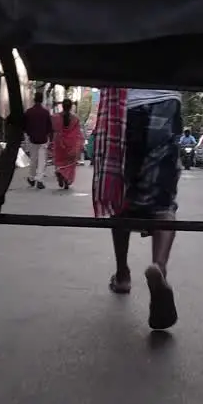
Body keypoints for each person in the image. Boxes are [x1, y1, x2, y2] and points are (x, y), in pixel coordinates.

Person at [92, 88, 184, 330]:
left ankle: (122, 275)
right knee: (164, 202)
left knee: (121, 196)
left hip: (125, 108)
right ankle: (159, 267)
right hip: (165, 104)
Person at [50, 98, 83, 189]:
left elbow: (53, 129)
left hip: (59, 142)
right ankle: (66, 179)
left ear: (62, 106)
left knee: (59, 161)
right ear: (71, 107)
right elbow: (78, 133)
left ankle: (60, 171)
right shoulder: (75, 119)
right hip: (71, 144)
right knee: (70, 163)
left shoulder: (55, 117)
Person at [22, 91, 52, 189]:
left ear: (34, 99)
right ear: (42, 99)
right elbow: (49, 127)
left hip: (32, 139)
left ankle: (31, 178)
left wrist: (29, 134)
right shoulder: (45, 112)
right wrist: (48, 137)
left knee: (33, 159)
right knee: (42, 160)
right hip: (43, 139)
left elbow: (25, 126)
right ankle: (39, 179)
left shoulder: (29, 112)